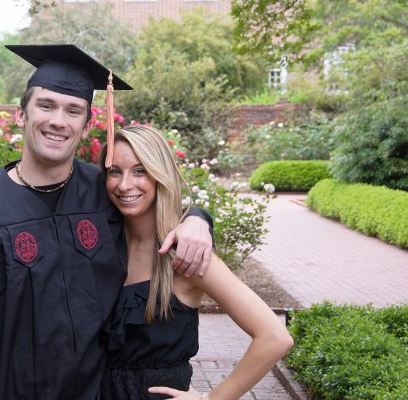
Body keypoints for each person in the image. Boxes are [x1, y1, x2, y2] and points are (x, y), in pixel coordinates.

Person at [0, 44, 215, 400]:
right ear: (21, 114)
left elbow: (156, 211)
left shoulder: (105, 194)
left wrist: (196, 219)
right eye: (46, 105)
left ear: (85, 125)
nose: (58, 121)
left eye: (73, 110)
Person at [98, 126, 294, 400]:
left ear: (159, 175)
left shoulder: (186, 255)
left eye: (140, 170)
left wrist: (210, 399)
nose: (124, 184)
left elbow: (274, 337)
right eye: (115, 171)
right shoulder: (101, 247)